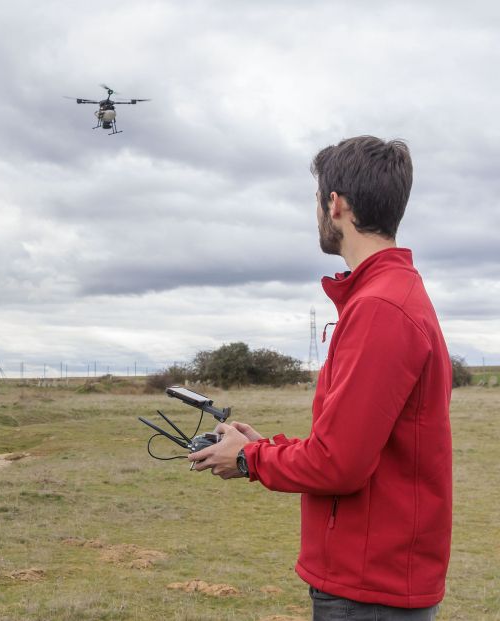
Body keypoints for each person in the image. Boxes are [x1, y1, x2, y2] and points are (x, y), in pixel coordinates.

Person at [190, 136, 452, 620]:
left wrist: (249, 459)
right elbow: (352, 444)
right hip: (373, 579)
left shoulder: (380, 308)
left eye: (316, 200)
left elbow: (340, 465)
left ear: (336, 204)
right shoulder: (389, 296)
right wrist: (264, 447)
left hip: (368, 589)